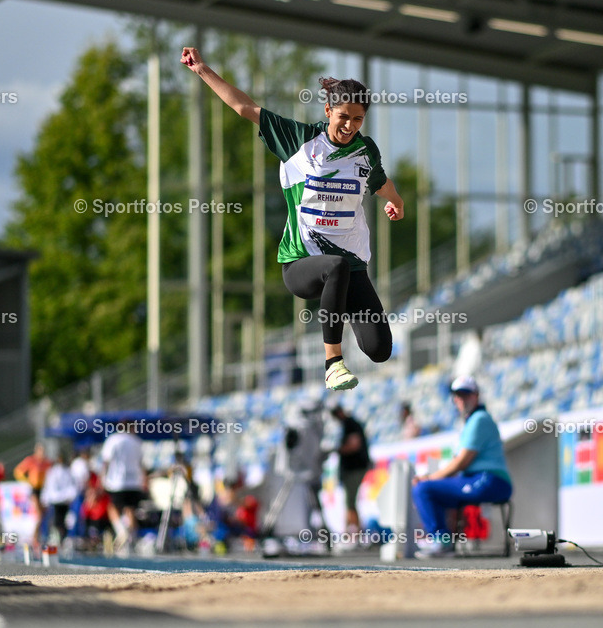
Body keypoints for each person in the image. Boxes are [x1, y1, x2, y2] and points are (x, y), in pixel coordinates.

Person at [181, 47, 405, 391]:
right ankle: (332, 362)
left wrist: (396, 201)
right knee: (335, 268)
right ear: (328, 110)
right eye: (343, 116)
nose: (349, 126)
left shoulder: (365, 150)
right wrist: (202, 70)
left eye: (357, 119)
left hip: (352, 266)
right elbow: (245, 108)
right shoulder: (299, 140)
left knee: (379, 350)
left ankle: (339, 300)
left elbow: (379, 180)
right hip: (301, 264)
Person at [412, 377, 513, 558]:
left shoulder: (479, 419)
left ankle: (442, 542)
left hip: (490, 480)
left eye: (466, 394)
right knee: (429, 489)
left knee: (423, 488)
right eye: (458, 395)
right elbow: (458, 462)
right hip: (480, 479)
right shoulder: (471, 421)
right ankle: (443, 541)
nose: (462, 399)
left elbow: (461, 462)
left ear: (476, 396)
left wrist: (429, 479)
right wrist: (433, 477)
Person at [100, 420, 146, 549]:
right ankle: (131, 538)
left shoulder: (113, 440)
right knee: (130, 509)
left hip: (117, 481)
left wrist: (102, 478)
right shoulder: (137, 441)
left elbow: (106, 461)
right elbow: (142, 464)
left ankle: (121, 531)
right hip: (134, 481)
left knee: (112, 507)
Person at [330, 405, 370, 539]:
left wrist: (338, 449)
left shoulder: (350, 424)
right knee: (349, 502)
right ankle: (350, 532)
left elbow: (354, 445)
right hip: (353, 468)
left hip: (354, 468)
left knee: (350, 502)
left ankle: (355, 534)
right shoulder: (349, 424)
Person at [13, 442, 52, 545]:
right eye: (40, 450)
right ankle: (34, 539)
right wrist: (27, 481)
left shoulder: (47, 462)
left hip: (43, 490)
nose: (42, 453)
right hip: (34, 490)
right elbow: (18, 471)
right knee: (39, 516)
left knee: (44, 515)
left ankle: (39, 536)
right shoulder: (31, 460)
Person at [41, 452, 79, 544]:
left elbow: (71, 486)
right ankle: (57, 536)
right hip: (58, 500)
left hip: (62, 500)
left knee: (62, 520)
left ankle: (62, 537)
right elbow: (49, 485)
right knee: (57, 520)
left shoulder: (66, 471)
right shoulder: (55, 471)